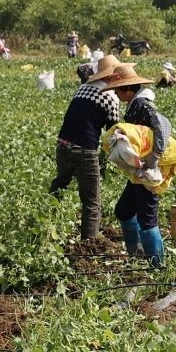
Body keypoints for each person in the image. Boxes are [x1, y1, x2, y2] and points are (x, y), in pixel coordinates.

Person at [50, 55, 124, 242]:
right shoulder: (110, 97)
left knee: (61, 183)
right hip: (84, 150)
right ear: (111, 77)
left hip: (62, 145)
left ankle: (46, 217)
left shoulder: (82, 88)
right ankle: (89, 245)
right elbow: (112, 131)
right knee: (92, 202)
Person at [113, 68, 173, 268]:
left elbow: (162, 125)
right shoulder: (134, 103)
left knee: (147, 218)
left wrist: (155, 156)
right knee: (123, 210)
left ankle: (157, 266)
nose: (115, 93)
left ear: (128, 89)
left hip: (148, 171)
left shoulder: (142, 104)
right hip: (139, 171)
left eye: (118, 90)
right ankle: (136, 254)